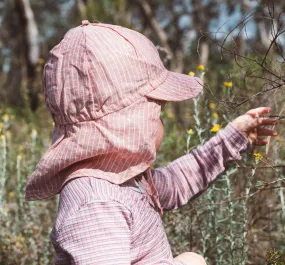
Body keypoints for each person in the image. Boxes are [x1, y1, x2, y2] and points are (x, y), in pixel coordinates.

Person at [25, 20, 278, 265]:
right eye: (157, 114)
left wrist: (234, 137)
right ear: (128, 122)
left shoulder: (126, 179)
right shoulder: (97, 204)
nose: (161, 123)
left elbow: (179, 181)